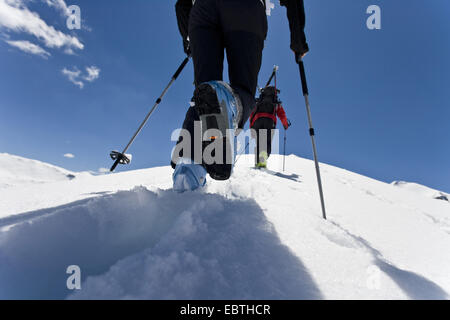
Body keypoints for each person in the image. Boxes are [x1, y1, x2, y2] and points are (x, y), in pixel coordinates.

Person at [171, 0, 309, 192]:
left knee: (205, 92)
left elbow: (181, 4)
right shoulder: (274, 101)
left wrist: (188, 38)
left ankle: (189, 168)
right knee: (240, 91)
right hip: (246, 10)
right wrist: (297, 37)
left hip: (202, 10)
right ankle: (228, 106)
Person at [250, 86, 290, 168]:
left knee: (259, 141)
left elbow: (252, 113)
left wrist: (251, 127)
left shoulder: (259, 101)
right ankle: (262, 162)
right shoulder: (276, 102)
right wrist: (285, 125)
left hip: (257, 120)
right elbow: (282, 114)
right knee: (266, 141)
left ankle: (258, 161)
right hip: (269, 121)